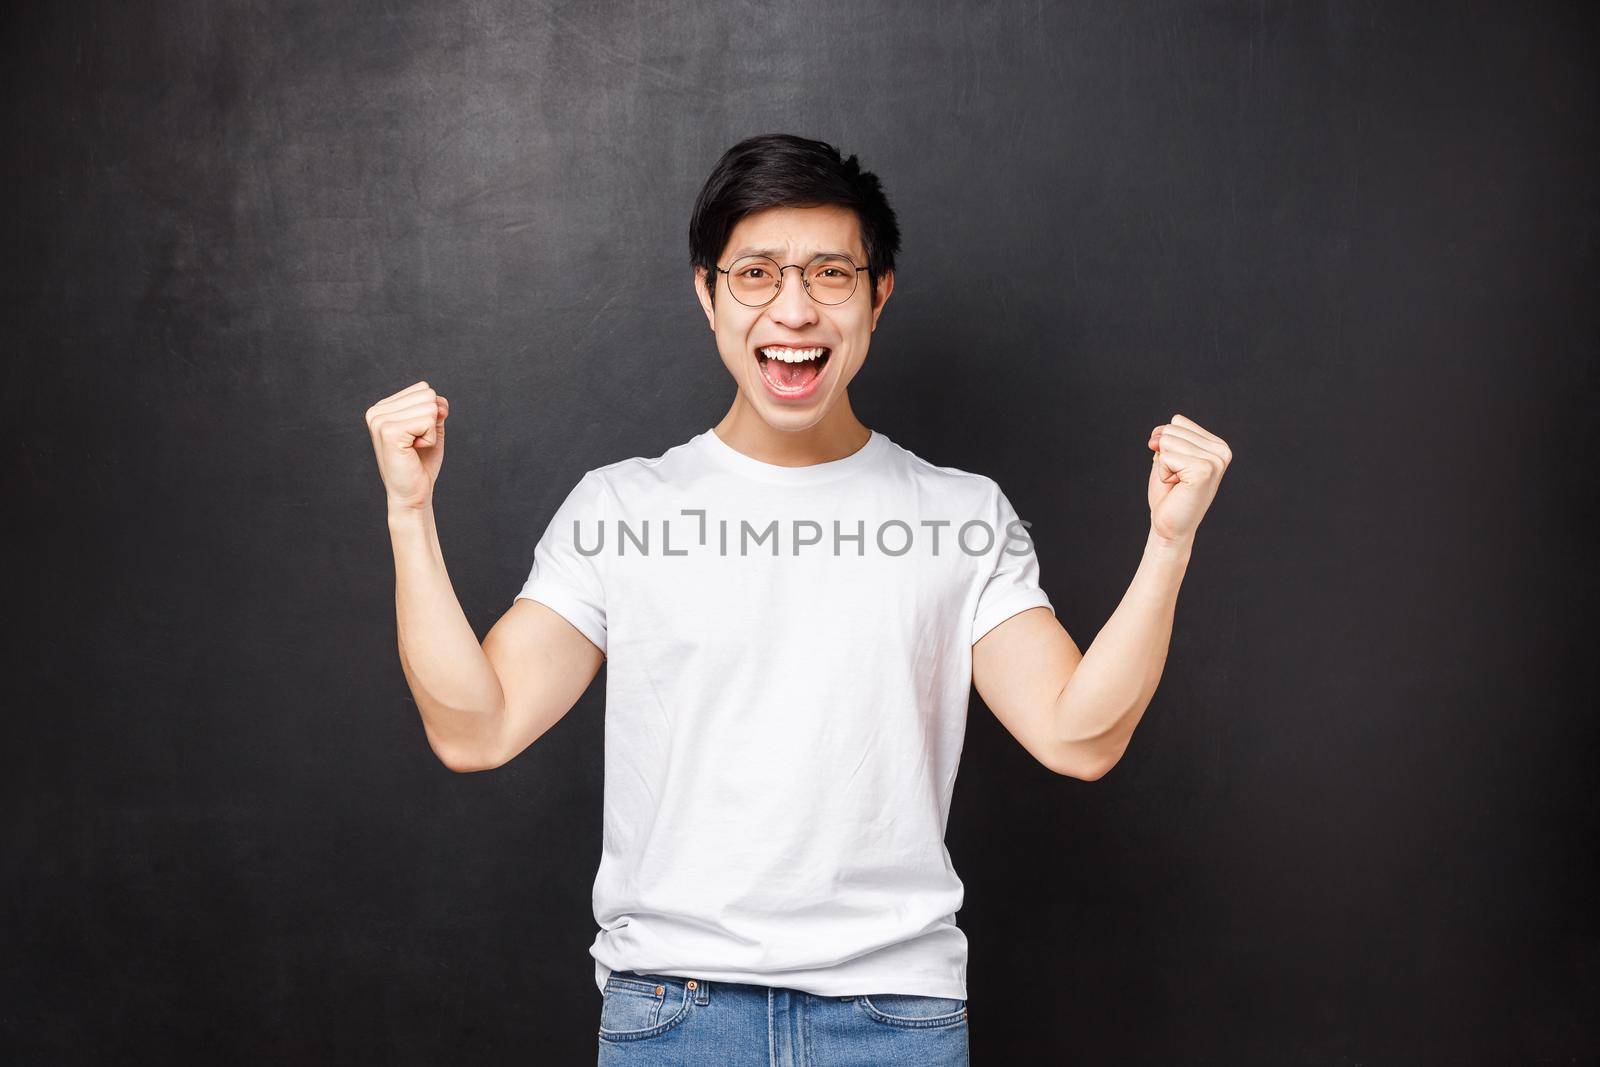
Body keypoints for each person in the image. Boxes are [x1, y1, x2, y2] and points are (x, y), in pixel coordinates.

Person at [363, 133, 1232, 1065]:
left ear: (876, 294)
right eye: (756, 275)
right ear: (706, 293)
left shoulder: (960, 513)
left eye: (829, 273)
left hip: (895, 1016)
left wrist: (1169, 544)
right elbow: (476, 726)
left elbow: (1078, 734)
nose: (793, 309)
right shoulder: (621, 507)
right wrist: (409, 513)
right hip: (674, 1014)